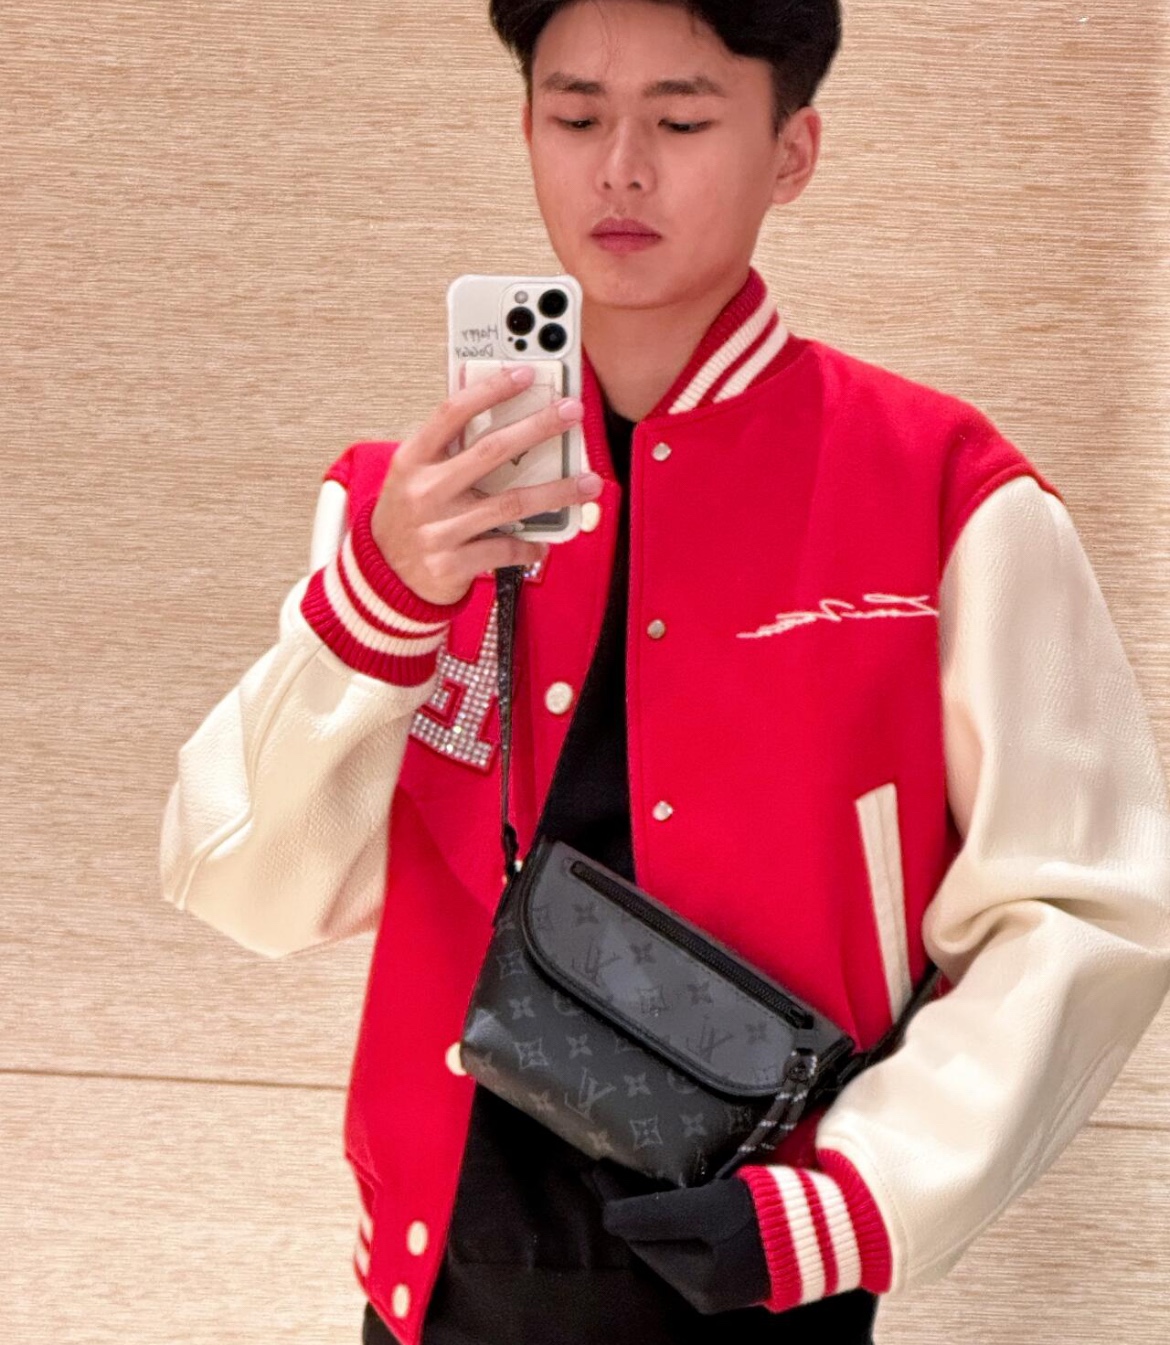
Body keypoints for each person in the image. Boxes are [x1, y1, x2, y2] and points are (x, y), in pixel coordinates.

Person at [158, 2, 1170, 1342]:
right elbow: (245, 884)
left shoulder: (943, 492)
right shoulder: (401, 510)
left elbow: (1086, 907)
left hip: (764, 1265)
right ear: (528, 131)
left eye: (681, 121)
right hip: (437, 1280)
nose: (620, 169)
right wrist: (384, 598)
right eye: (576, 116)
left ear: (791, 152)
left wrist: (859, 1197)